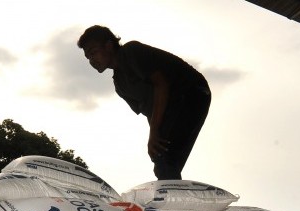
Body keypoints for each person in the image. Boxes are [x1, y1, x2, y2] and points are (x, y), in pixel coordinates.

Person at [77, 25, 211, 181]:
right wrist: (155, 138)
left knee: (165, 161)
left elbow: (161, 84)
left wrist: (154, 133)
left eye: (93, 53)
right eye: (88, 58)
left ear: (108, 45)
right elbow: (150, 111)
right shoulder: (120, 85)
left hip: (192, 92)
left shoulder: (131, 52)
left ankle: (171, 200)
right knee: (162, 160)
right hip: (173, 108)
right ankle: (173, 195)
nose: (92, 60)